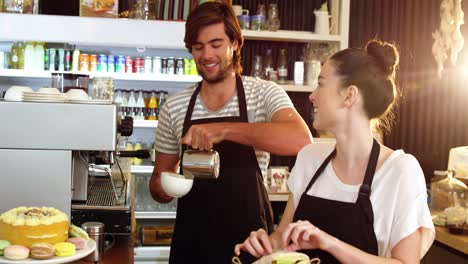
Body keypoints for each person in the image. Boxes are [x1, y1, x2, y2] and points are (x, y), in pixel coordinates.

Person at [234, 40, 435, 263]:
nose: (312, 95)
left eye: (321, 84)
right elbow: (283, 237)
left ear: (349, 95)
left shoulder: (400, 170)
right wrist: (265, 245)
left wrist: (329, 243)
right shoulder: (309, 158)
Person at [148, 1, 312, 263]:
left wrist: (224, 129)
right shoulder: (175, 106)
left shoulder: (263, 93)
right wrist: (164, 187)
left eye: (216, 44)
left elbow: (301, 140)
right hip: (193, 242)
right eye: (198, 47)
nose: (206, 55)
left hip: (251, 242)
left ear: (235, 42)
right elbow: (158, 184)